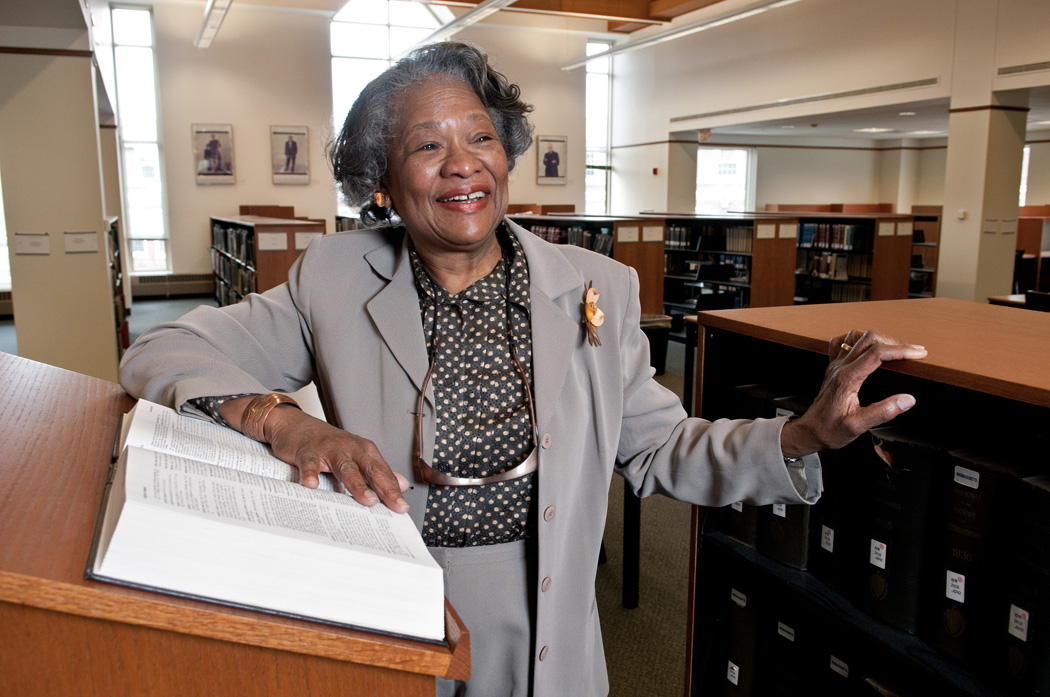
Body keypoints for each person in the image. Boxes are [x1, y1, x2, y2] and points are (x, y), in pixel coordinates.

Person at [119, 42, 926, 697]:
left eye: (479, 138)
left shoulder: (599, 287)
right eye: (427, 145)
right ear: (383, 183)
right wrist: (283, 421)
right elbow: (157, 350)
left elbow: (662, 447)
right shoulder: (331, 277)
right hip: (390, 601)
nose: (462, 164)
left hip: (546, 619)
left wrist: (800, 435)